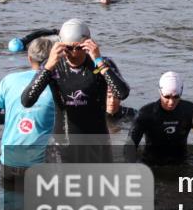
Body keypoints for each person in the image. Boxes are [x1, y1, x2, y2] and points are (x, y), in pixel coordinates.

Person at [20, 18, 130, 163]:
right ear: (60, 45)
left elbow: (122, 93)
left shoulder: (102, 64)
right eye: (67, 48)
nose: (73, 53)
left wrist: (99, 61)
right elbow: (27, 101)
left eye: (78, 48)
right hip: (62, 147)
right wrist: (48, 68)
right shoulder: (53, 66)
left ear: (88, 45)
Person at [0, 37, 56, 185]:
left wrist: (12, 116)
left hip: (9, 163)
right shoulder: (59, 84)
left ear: (29, 58)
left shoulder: (9, 80)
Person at [125, 72, 193, 165]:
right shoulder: (146, 113)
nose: (171, 102)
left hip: (181, 161)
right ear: (160, 92)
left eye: (176, 97)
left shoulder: (189, 109)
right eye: (167, 97)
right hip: (152, 163)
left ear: (181, 93)